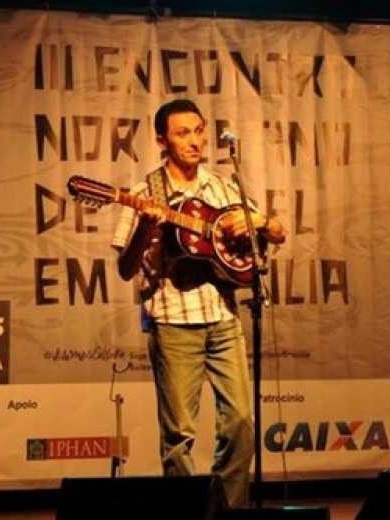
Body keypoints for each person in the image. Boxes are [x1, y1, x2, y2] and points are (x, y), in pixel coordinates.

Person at [112, 98, 286, 508]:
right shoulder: (145, 193)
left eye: (198, 131)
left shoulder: (224, 188)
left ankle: (226, 511)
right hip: (173, 320)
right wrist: (146, 229)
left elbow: (277, 232)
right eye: (182, 133)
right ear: (162, 141)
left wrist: (260, 221)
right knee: (178, 436)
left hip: (223, 317)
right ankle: (185, 514)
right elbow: (124, 268)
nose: (194, 141)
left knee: (240, 422)